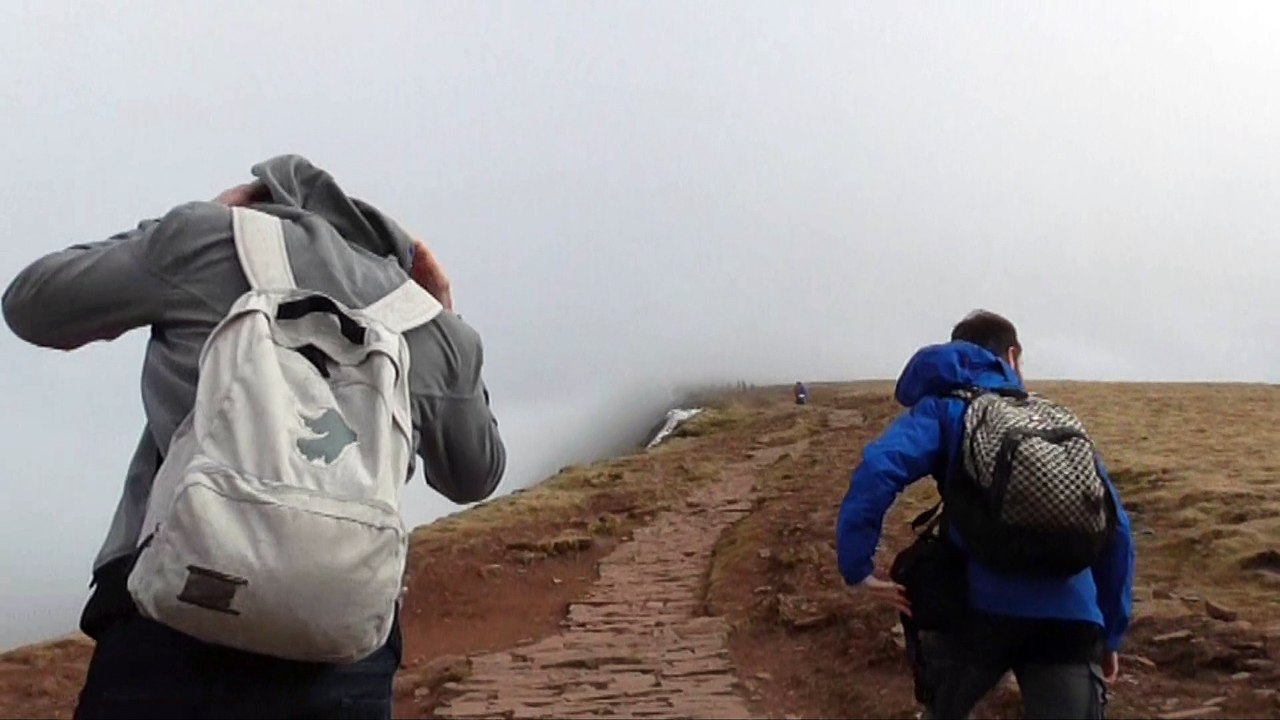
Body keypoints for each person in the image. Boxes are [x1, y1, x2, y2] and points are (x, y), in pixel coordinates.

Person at [3, 155, 506, 719]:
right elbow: (475, 474)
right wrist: (449, 321)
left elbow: (31, 304)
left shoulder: (203, 242)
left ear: (265, 205)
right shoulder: (426, 322)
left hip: (169, 614)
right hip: (340, 641)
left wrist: (183, 225)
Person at [835, 310, 1134, 719]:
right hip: (1070, 616)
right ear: (1011, 357)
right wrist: (1111, 634)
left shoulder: (946, 409)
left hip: (975, 612)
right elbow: (1117, 530)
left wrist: (858, 567)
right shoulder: (1053, 420)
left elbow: (879, 469)